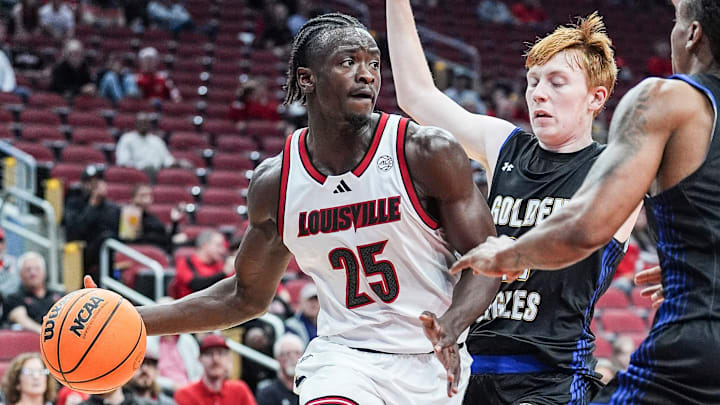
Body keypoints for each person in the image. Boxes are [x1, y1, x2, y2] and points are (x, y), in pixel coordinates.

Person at [85, 12, 499, 404]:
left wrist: (452, 325)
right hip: (346, 358)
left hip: (433, 358)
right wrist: (133, 320)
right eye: (347, 62)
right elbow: (244, 296)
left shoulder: (425, 152)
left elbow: (487, 261)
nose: (367, 74)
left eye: (373, 63)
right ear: (307, 79)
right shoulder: (277, 184)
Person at [449, 0, 720, 403]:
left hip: (689, 343)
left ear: (693, 34)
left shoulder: (669, 98)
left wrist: (507, 256)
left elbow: (582, 230)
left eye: (677, 23)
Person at [386, 2, 641, 404]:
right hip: (473, 369)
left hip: (552, 377)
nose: (538, 93)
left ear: (596, 98)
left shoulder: (616, 167)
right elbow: (417, 95)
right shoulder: (503, 144)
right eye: (533, 81)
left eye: (557, 82)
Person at [173, 334, 257, 405]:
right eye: (209, 353)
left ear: (229, 358)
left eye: (220, 353)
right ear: (200, 358)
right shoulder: (185, 394)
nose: (215, 359)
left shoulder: (239, 390)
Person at [5, 252, 64, 334]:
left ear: (44, 272)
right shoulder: (14, 298)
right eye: (28, 270)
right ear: (20, 274)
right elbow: (22, 320)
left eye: (37, 269)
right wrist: (46, 333)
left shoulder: (60, 295)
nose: (33, 273)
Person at [170, 230, 232, 299]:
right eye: (218, 245)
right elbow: (196, 285)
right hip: (188, 306)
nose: (223, 250)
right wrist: (223, 273)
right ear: (205, 246)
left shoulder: (221, 264)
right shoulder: (186, 262)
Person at [256, 334, 305, 405]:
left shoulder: (312, 390)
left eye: (297, 353)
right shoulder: (267, 394)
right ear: (278, 358)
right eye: (287, 354)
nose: (293, 358)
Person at [126, 338, 176, 405]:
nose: (144, 369)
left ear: (156, 371)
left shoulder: (168, 403)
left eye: (149, 364)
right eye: (139, 363)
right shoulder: (120, 400)